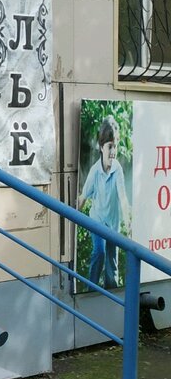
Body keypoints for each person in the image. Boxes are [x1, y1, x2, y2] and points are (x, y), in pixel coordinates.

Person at [77, 115, 131, 289]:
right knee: (99, 252)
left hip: (112, 224)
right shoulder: (95, 171)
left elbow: (123, 198)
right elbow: (83, 197)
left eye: (115, 146)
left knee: (111, 264)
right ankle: (91, 289)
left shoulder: (117, 169)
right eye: (109, 146)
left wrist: (128, 222)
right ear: (101, 147)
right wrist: (73, 219)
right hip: (97, 220)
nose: (113, 151)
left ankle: (111, 294)